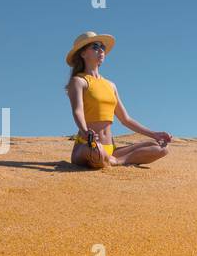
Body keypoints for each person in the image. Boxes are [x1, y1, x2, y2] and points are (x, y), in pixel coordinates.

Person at [64, 31, 172, 168]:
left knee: (161, 148)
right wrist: (85, 131)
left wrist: (154, 134)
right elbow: (77, 111)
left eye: (102, 47)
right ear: (83, 53)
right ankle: (110, 160)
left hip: (111, 148)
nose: (101, 50)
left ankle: (114, 160)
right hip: (88, 146)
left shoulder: (111, 85)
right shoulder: (79, 81)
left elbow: (126, 119)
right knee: (97, 152)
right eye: (95, 46)